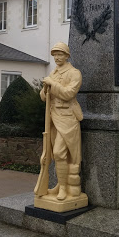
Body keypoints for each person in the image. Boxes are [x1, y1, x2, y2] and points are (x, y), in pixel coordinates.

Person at [40, 42, 83, 201]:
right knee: (57, 154)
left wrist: (52, 84)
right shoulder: (53, 73)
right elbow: (44, 97)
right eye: (55, 55)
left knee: (58, 152)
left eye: (60, 54)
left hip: (67, 118)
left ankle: (64, 188)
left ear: (67, 56)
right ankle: (61, 184)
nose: (57, 58)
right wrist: (45, 89)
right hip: (53, 117)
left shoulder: (74, 73)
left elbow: (68, 94)